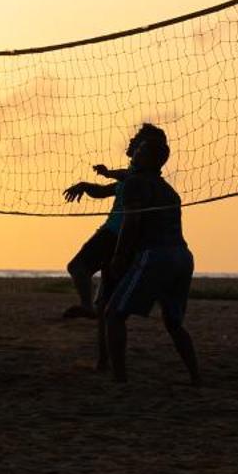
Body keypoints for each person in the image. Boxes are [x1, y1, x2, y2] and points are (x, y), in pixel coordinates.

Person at [102, 126, 200, 385]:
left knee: (114, 315)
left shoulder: (136, 183)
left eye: (140, 151)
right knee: (174, 323)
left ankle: (119, 380)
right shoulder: (169, 190)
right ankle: (196, 377)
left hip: (157, 256)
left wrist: (120, 256)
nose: (133, 155)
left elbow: (131, 223)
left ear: (149, 158)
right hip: (183, 257)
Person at [64, 124, 161, 368]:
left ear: (147, 149)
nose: (131, 141)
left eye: (137, 140)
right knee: (107, 307)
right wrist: (89, 185)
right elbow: (107, 190)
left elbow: (125, 180)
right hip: (123, 239)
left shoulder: (141, 177)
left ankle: (86, 307)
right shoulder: (133, 175)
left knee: (77, 267)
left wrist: (108, 174)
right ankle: (104, 360)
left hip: (115, 234)